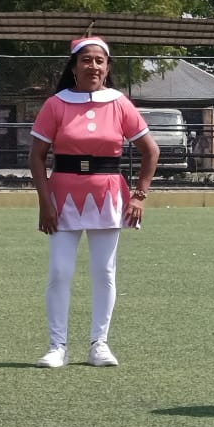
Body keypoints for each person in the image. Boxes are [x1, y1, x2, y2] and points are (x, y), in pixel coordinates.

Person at [29, 37, 159, 369]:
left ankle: (99, 344)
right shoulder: (55, 104)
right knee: (60, 271)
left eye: (100, 61)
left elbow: (150, 150)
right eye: (86, 60)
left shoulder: (119, 103)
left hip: (108, 196)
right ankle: (57, 346)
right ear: (74, 67)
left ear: (108, 67)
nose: (93, 66)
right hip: (62, 197)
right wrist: (45, 202)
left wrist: (139, 195)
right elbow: (37, 156)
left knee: (104, 271)